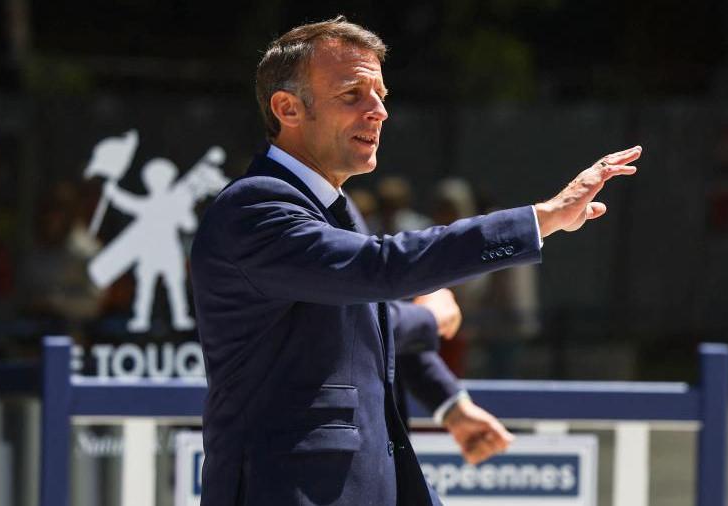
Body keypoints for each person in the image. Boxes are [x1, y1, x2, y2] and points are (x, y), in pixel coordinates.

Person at [190, 16, 640, 506]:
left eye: (381, 95)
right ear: (288, 108)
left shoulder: (332, 210)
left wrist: (451, 404)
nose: (378, 111)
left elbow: (372, 325)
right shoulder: (254, 209)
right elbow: (382, 273)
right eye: (352, 94)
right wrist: (540, 219)